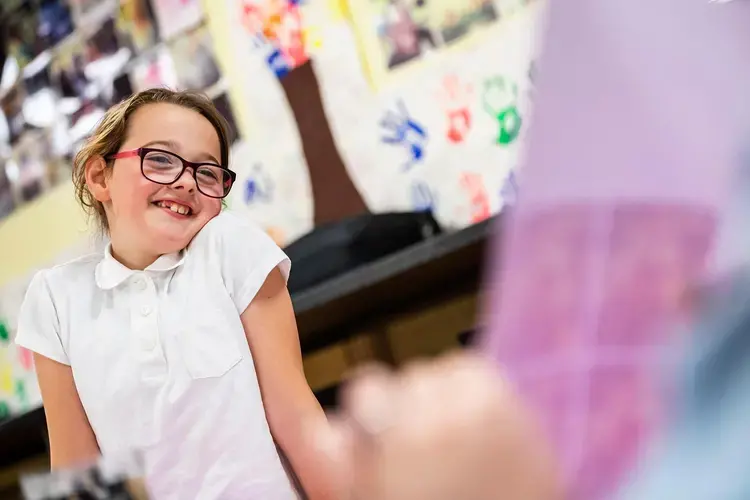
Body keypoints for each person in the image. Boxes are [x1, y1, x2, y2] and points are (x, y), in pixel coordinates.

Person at [15, 87, 558, 500]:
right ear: (99, 177)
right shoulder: (56, 299)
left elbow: (298, 421)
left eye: (208, 173)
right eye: (160, 159)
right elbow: (77, 470)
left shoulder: (230, 247)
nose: (186, 181)